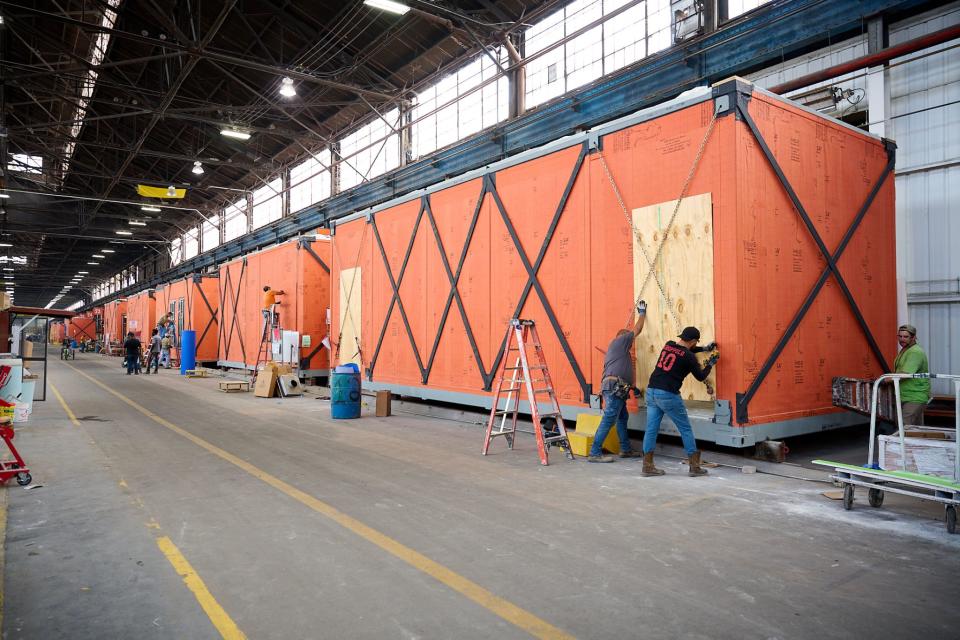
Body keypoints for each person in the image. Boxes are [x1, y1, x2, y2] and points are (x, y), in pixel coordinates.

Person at [642, 326, 718, 477]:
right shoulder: (689, 357)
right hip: (668, 394)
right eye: (696, 343)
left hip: (651, 391)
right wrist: (710, 364)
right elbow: (701, 376)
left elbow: (683, 351)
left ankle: (647, 466)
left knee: (651, 429)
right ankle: (694, 467)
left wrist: (703, 348)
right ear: (694, 341)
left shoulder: (668, 345)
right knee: (685, 429)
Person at [587, 300, 648, 463]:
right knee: (609, 419)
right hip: (614, 388)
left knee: (621, 419)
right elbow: (638, 329)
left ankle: (625, 449)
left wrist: (632, 388)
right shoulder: (619, 341)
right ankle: (594, 452)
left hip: (617, 388)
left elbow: (622, 371)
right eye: (630, 339)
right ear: (624, 338)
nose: (632, 342)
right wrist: (642, 313)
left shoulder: (622, 353)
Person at [894, 324, 930, 427]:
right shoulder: (906, 350)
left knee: (904, 426)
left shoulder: (915, 352)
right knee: (915, 428)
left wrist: (884, 380)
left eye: (906, 337)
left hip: (914, 396)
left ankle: (906, 444)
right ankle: (919, 443)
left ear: (913, 337)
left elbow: (905, 374)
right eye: (900, 336)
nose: (902, 339)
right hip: (906, 395)